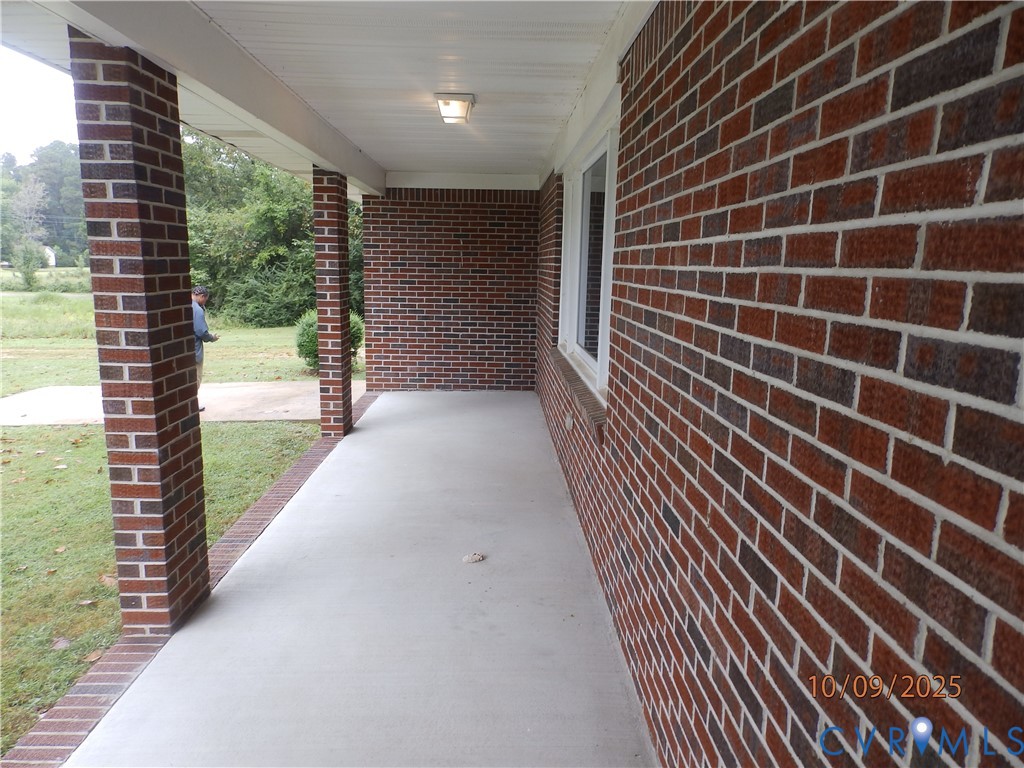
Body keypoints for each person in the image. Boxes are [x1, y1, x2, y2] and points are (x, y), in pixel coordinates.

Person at [191, 285, 219, 409]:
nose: (205, 302)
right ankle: (192, 405)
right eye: (205, 300)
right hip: (195, 350)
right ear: (202, 296)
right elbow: (201, 332)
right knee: (196, 378)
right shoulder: (197, 310)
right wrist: (212, 337)